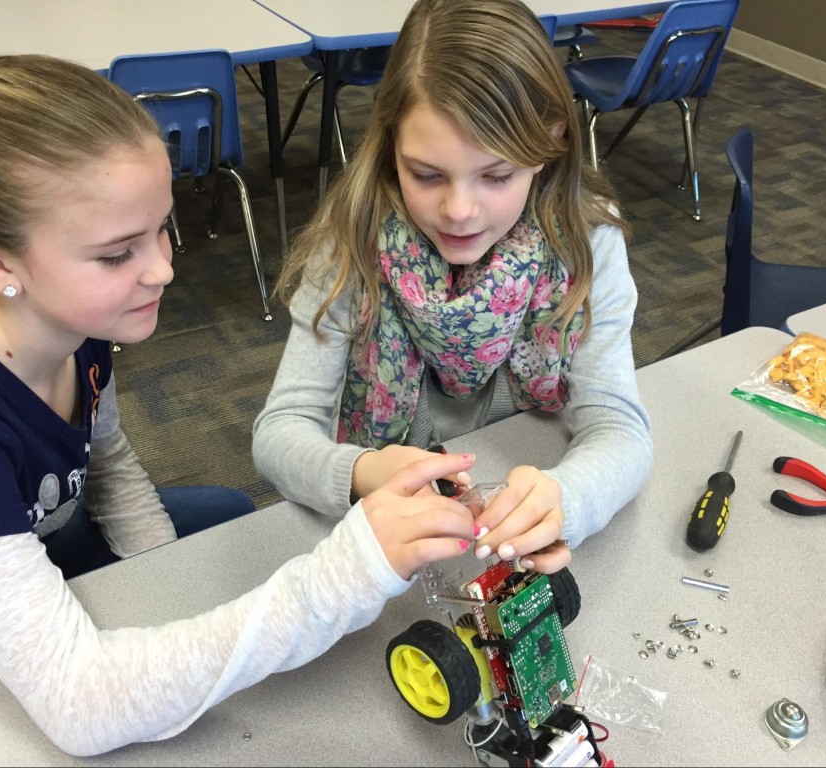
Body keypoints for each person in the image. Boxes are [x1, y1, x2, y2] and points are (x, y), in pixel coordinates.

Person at [0, 54, 480, 755]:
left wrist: (168, 592)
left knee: (221, 521)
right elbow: (83, 710)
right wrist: (343, 576)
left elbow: (107, 465)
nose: (164, 268)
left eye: (162, 228)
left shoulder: (76, 327)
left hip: (29, 544)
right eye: (117, 253)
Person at [253, 0, 653, 575]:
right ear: (391, 146)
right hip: (385, 546)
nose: (459, 211)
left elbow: (619, 427)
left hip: (503, 544)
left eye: (496, 176)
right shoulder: (349, 240)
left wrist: (569, 498)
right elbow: (278, 434)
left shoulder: (586, 242)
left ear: (549, 143)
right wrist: (366, 471)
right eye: (426, 174)